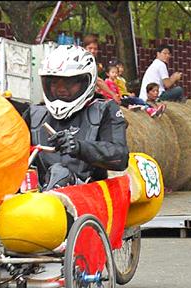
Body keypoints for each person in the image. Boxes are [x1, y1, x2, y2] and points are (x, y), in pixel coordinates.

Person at [25, 45, 129, 190]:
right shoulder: (34, 114)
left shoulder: (105, 110)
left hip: (88, 195)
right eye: (54, 82)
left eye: (69, 82)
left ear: (86, 81)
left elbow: (120, 157)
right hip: (38, 197)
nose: (61, 89)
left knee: (60, 172)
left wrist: (78, 147)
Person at [82, 34, 120, 105]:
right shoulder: (82, 61)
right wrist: (113, 94)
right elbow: (98, 81)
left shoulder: (92, 62)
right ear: (84, 48)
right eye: (90, 48)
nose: (93, 51)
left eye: (95, 49)